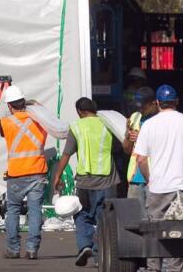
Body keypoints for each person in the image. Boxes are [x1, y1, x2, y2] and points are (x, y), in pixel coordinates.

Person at [132, 84, 183, 272]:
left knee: (153, 230)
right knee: (177, 231)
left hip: (157, 188)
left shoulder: (149, 125)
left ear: (158, 103)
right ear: (177, 102)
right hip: (182, 188)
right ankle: (174, 269)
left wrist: (150, 179)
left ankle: (153, 268)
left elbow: (141, 159)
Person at [52, 97, 122, 267]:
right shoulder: (107, 125)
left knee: (81, 214)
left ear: (79, 112)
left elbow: (66, 155)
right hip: (106, 180)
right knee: (103, 219)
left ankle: (84, 245)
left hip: (84, 182)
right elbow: (118, 148)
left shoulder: (76, 127)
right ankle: (99, 255)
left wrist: (57, 176)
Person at [0, 84, 48, 259]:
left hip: (16, 174)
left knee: (13, 210)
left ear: (9, 105)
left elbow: (6, 130)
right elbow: (46, 114)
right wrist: (34, 106)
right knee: (35, 211)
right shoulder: (41, 120)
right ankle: (32, 249)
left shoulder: (5, 122)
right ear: (25, 102)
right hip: (38, 172)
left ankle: (13, 249)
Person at [123, 86, 158, 205]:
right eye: (138, 106)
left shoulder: (161, 119)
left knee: (154, 218)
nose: (140, 109)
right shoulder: (135, 117)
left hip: (154, 178)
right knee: (133, 219)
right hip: (135, 178)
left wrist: (142, 138)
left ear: (154, 103)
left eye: (143, 106)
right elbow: (127, 150)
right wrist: (128, 136)